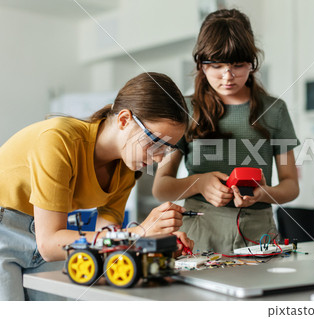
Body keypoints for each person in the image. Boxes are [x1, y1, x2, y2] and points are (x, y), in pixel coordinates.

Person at [0, 72, 194, 301]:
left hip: (46, 240)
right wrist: (140, 232)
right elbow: (49, 243)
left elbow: (106, 239)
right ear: (124, 120)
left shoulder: (126, 170)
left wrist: (157, 242)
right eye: (155, 142)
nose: (160, 158)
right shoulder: (59, 140)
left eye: (168, 148)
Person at [153, 9, 300, 253]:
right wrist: (199, 183)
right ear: (201, 64)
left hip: (258, 230)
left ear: (252, 63)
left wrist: (263, 194)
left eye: (238, 65)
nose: (227, 76)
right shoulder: (185, 110)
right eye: (217, 65)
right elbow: (161, 188)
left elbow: (291, 186)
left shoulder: (274, 110)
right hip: (199, 230)